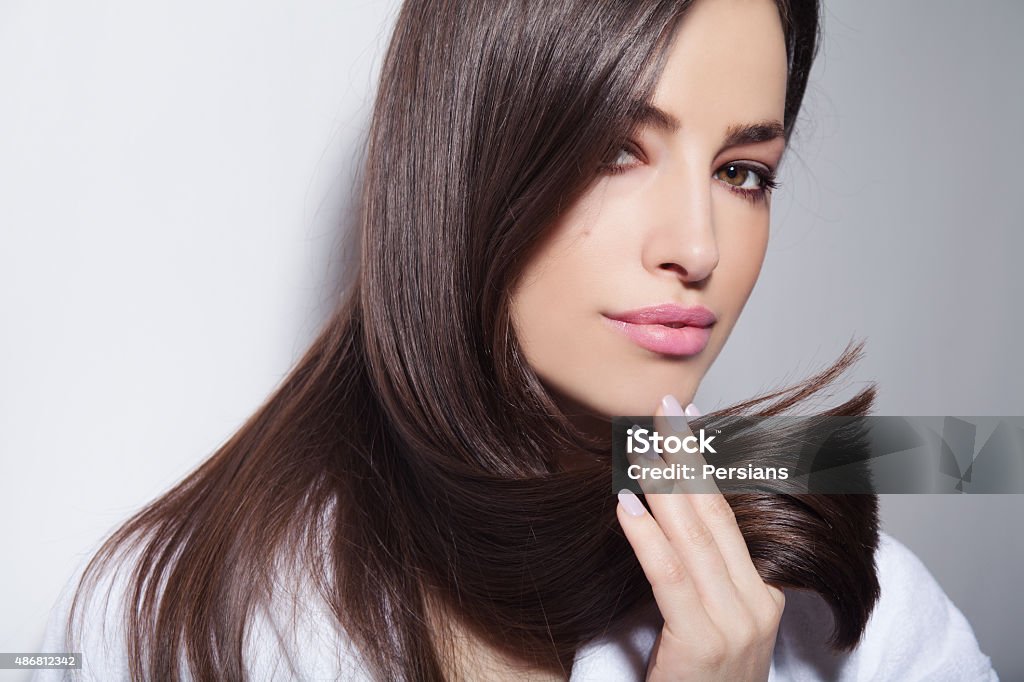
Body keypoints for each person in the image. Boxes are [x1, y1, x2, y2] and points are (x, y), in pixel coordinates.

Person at [36, 0, 998, 679]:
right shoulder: (166, 615)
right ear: (470, 161)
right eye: (619, 149)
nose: (699, 247)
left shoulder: (852, 620)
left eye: (744, 172)